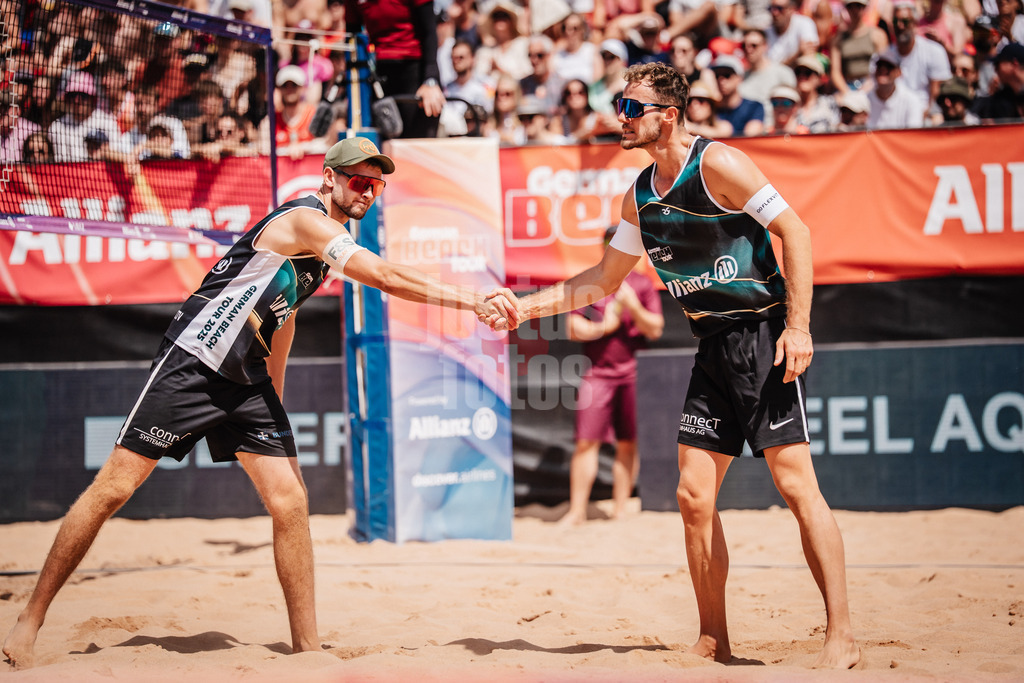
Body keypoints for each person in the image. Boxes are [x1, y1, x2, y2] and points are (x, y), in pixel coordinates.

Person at [1, 136, 519, 670]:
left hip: (247, 379)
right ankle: (30, 621)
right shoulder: (306, 221)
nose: (366, 191)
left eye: (375, 184)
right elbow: (385, 277)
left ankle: (307, 651)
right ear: (329, 178)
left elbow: (285, 317)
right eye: (357, 180)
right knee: (113, 489)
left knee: (291, 503)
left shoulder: (325, 243)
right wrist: (472, 298)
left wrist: (275, 394)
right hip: (195, 362)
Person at [498, 61, 859, 670]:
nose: (622, 117)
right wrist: (524, 309)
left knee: (797, 487)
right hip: (711, 347)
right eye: (620, 105)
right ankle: (713, 637)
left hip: (761, 336)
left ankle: (842, 636)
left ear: (668, 115)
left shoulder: (718, 164)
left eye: (632, 108)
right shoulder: (638, 197)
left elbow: (796, 233)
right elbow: (601, 281)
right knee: (693, 496)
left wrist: (798, 328)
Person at [559, 225, 664, 526]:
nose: (616, 248)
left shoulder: (642, 285)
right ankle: (577, 511)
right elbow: (573, 328)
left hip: (632, 374)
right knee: (585, 442)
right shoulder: (591, 282)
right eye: (611, 242)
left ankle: (621, 509)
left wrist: (632, 306)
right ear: (604, 245)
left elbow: (655, 328)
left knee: (628, 441)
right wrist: (605, 326)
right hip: (598, 374)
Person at [344, 0, 447, 138]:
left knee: (416, 142)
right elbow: (352, 37)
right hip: (378, 76)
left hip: (415, 70)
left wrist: (430, 79)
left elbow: (429, 31)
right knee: (384, 146)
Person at [867, 51, 927, 127]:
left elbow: (913, 135)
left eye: (889, 66)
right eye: (879, 65)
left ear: (898, 72)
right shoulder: (865, 100)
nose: (883, 70)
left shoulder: (911, 101)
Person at [711, 54, 766, 135]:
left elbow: (750, 137)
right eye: (717, 75)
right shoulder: (711, 108)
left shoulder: (754, 107)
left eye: (727, 75)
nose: (721, 80)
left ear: (739, 78)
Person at [766, 0, 820, 66]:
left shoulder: (805, 23)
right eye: (771, 8)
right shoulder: (765, 33)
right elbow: (767, 69)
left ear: (791, 9)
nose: (774, 13)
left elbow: (809, 57)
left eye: (780, 8)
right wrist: (798, 53)